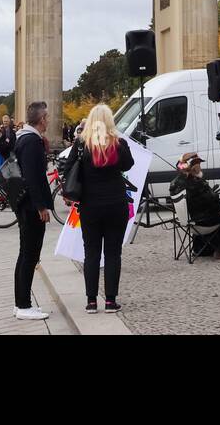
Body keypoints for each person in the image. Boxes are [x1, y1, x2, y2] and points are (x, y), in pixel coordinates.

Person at [63, 104, 135, 313]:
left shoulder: (81, 144)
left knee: (91, 252)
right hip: (115, 204)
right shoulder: (118, 144)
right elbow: (128, 164)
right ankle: (111, 300)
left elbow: (68, 171)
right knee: (113, 253)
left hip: (90, 205)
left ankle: (91, 301)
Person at [12, 101, 52, 320]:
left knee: (25, 255)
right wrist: (41, 206)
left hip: (26, 204)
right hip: (30, 206)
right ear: (42, 119)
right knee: (29, 255)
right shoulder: (32, 142)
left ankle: (21, 303)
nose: (48, 120)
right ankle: (24, 305)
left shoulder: (24, 138)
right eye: (47, 117)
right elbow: (32, 178)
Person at [169, 151, 220, 259]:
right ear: (194, 167)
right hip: (202, 223)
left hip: (188, 222)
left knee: (206, 212)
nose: (200, 167)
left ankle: (201, 249)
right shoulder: (197, 183)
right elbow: (214, 203)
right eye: (199, 165)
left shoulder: (174, 183)